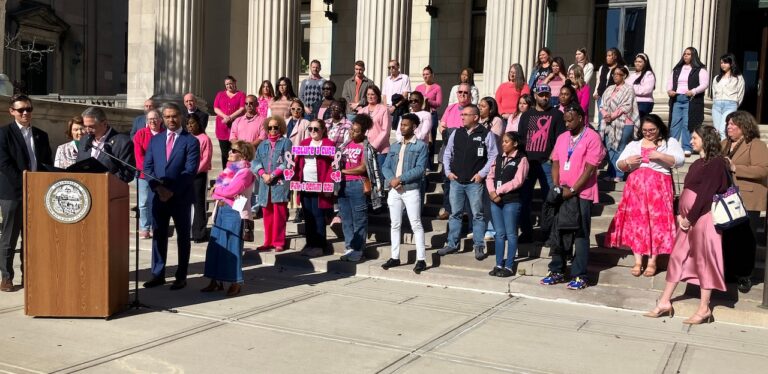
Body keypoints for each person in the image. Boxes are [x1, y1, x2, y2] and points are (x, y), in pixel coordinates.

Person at [645, 126, 730, 324]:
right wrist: (680, 213)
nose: (691, 141)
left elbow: (706, 194)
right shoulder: (698, 162)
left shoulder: (716, 162)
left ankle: (704, 308)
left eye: (694, 137)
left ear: (705, 139)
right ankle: (664, 301)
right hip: (688, 218)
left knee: (705, 260)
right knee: (677, 256)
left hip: (704, 217)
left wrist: (689, 218)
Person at [605, 114, 684, 277]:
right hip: (635, 191)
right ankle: (638, 261)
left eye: (652, 130)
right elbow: (619, 165)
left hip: (659, 190)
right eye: (645, 130)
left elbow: (680, 160)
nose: (648, 133)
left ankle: (653, 261)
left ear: (659, 128)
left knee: (657, 224)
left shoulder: (669, 142)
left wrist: (660, 156)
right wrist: (628, 162)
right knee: (637, 224)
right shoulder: (635, 144)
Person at [540, 105, 605, 290]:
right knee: (559, 232)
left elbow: (590, 168)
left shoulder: (592, 137)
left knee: (580, 234)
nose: (567, 123)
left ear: (581, 118)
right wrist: (557, 186)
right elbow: (556, 162)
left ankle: (579, 274)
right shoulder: (562, 138)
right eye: (565, 120)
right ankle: (557, 270)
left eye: (570, 120)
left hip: (582, 193)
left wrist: (574, 189)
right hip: (563, 192)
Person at [143, 102, 201, 291]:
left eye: (174, 116)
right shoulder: (156, 140)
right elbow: (148, 167)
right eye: (167, 117)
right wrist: (159, 189)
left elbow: (190, 170)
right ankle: (157, 274)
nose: (171, 120)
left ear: (182, 117)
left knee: (183, 237)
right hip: (158, 197)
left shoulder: (191, 141)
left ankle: (181, 276)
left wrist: (172, 190)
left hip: (181, 197)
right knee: (158, 235)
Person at [0, 94, 52, 291]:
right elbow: (4, 163)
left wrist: (43, 184)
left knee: (33, 237)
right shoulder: (4, 134)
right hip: (13, 193)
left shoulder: (41, 135)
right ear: (12, 111)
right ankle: (6, 277)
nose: (25, 113)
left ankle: (29, 275)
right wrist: (25, 182)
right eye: (21, 110)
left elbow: (47, 163)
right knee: (9, 237)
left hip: (38, 192)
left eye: (28, 109)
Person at [437, 105, 498, 259]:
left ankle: (479, 246)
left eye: (466, 114)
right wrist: (448, 172)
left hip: (474, 182)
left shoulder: (486, 134)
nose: (462, 117)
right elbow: (447, 153)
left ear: (475, 117)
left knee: (477, 215)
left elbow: (493, 156)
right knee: (455, 214)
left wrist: (482, 174)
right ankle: (452, 244)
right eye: (461, 114)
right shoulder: (456, 133)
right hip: (456, 181)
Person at [721, 111, 768, 293]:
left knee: (747, 239)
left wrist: (735, 167)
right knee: (729, 237)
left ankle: (745, 275)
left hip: (748, 199)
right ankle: (729, 272)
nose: (729, 127)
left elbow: (763, 170)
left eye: (733, 124)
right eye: (728, 124)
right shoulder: (724, 144)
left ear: (745, 126)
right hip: (726, 198)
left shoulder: (756, 145)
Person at [201, 140, 256, 297]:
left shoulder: (245, 172)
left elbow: (231, 190)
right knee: (216, 247)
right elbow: (215, 190)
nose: (229, 153)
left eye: (234, 151)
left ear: (243, 155)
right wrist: (219, 191)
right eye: (230, 150)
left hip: (234, 213)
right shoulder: (228, 170)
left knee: (232, 247)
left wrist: (219, 191)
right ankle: (215, 280)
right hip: (221, 210)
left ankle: (235, 282)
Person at [517, 84, 567, 243]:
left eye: (547, 94)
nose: (544, 97)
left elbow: (561, 139)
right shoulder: (526, 115)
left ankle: (548, 233)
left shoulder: (557, 115)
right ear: (535, 96)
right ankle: (526, 232)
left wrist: (553, 156)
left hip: (547, 163)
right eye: (541, 94)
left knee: (550, 199)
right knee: (524, 199)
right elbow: (520, 139)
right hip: (528, 163)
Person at [381, 113, 429, 273]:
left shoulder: (420, 146)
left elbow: (420, 169)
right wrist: (392, 179)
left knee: (416, 223)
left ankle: (421, 259)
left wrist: (400, 179)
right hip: (395, 190)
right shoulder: (395, 145)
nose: (402, 127)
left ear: (414, 127)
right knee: (395, 224)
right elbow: (385, 166)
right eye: (401, 125)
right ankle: (395, 257)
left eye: (405, 125)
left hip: (410, 189)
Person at [294, 119, 335, 257]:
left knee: (318, 215)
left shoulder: (329, 144)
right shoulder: (304, 143)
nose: (312, 131)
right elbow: (298, 163)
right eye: (310, 129)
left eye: (316, 129)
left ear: (323, 130)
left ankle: (319, 245)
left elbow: (332, 167)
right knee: (308, 215)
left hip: (320, 185)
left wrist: (328, 186)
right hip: (305, 183)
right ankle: (310, 243)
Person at [252, 116, 292, 252]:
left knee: (279, 213)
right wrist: (263, 174)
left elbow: (287, 162)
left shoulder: (286, 142)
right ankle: (267, 241)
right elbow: (255, 161)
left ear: (280, 127)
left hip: (279, 183)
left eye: (276, 127)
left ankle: (279, 241)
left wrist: (273, 174)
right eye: (270, 127)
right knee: (267, 213)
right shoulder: (263, 144)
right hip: (264, 183)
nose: (273, 130)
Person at [337, 116, 372, 263]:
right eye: (351, 129)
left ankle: (358, 250)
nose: (352, 133)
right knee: (346, 219)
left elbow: (362, 168)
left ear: (363, 132)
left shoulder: (365, 146)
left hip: (357, 185)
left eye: (356, 131)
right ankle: (349, 247)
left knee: (359, 219)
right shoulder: (346, 144)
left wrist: (343, 172)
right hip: (343, 185)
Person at [437, 83, 474, 220]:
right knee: (447, 182)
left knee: (463, 182)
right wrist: (444, 132)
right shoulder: (450, 108)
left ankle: (464, 210)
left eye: (466, 92)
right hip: (448, 149)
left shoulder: (472, 110)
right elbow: (442, 125)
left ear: (470, 95)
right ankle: (447, 208)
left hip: (464, 151)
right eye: (460, 92)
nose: (462, 95)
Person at [667, 47, 709, 156]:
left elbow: (704, 84)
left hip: (690, 100)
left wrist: (693, 91)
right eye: (684, 54)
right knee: (674, 123)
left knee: (687, 123)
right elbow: (670, 82)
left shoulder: (700, 69)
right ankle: (672, 146)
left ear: (693, 56)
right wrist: (670, 91)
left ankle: (687, 147)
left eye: (688, 54)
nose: (685, 56)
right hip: (677, 98)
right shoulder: (677, 69)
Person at [600, 65, 640, 182]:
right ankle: (610, 172)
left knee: (620, 148)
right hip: (608, 123)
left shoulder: (628, 89)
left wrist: (612, 115)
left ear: (624, 76)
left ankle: (619, 174)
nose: (615, 76)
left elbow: (626, 106)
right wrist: (605, 114)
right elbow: (602, 104)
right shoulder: (609, 89)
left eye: (618, 74)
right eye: (614, 74)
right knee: (610, 147)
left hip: (624, 122)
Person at [77, 106, 135, 183]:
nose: (87, 130)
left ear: (104, 123)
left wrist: (101, 181)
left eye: (91, 127)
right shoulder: (84, 140)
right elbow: (78, 165)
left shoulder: (123, 142)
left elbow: (128, 173)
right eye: (85, 126)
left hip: (109, 190)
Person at [133, 109, 164, 239]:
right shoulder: (140, 134)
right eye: (150, 119)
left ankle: (155, 226)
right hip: (144, 175)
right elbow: (139, 156)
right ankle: (144, 227)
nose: (152, 121)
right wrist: (148, 172)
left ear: (160, 120)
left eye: (155, 118)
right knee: (144, 202)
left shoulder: (165, 134)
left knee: (157, 202)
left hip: (161, 175)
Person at [188, 113, 213, 243]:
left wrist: (194, 171)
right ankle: (189, 231)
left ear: (198, 124)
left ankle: (199, 233)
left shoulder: (204, 139)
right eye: (188, 124)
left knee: (198, 204)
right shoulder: (186, 138)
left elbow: (206, 158)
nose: (190, 126)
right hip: (186, 175)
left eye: (192, 123)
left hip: (198, 175)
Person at [213, 75, 246, 168]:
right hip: (222, 127)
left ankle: (235, 172)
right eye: (227, 84)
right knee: (224, 153)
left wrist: (231, 117)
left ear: (235, 83)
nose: (229, 86)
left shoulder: (241, 95)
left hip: (235, 127)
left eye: (230, 83)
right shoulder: (220, 94)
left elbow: (242, 108)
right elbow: (216, 108)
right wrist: (225, 116)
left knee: (235, 151)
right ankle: (226, 173)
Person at [712, 53, 745, 139]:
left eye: (725, 62)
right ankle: (719, 149)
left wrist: (735, 104)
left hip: (730, 105)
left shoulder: (738, 77)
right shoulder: (717, 78)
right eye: (721, 63)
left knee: (723, 129)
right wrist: (715, 102)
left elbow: (740, 93)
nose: (723, 65)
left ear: (731, 63)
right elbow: (714, 92)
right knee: (717, 130)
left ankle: (724, 151)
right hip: (717, 105)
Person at [593, 48, 626, 128]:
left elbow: (624, 83)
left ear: (615, 57)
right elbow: (599, 81)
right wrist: (596, 92)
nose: (607, 57)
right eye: (607, 56)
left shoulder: (622, 68)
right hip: (601, 97)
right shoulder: (603, 67)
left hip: (614, 98)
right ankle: (601, 139)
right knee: (602, 119)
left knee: (611, 119)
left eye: (609, 56)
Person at [360, 85, 392, 167]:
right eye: (368, 94)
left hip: (380, 150)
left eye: (372, 94)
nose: (370, 96)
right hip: (364, 149)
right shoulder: (361, 111)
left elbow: (386, 130)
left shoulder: (384, 109)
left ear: (377, 96)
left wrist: (373, 146)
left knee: (379, 177)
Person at [414, 65, 442, 150]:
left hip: (431, 114)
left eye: (427, 74)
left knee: (431, 138)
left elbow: (438, 103)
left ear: (432, 75)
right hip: (420, 114)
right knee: (419, 136)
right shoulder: (418, 87)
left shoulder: (437, 87)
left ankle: (430, 160)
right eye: (424, 74)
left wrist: (428, 100)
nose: (425, 76)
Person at [628, 53, 656, 119]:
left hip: (644, 103)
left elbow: (646, 90)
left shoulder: (648, 74)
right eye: (636, 61)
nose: (637, 63)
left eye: (640, 62)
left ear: (645, 63)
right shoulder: (632, 75)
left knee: (640, 122)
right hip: (632, 102)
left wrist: (631, 88)